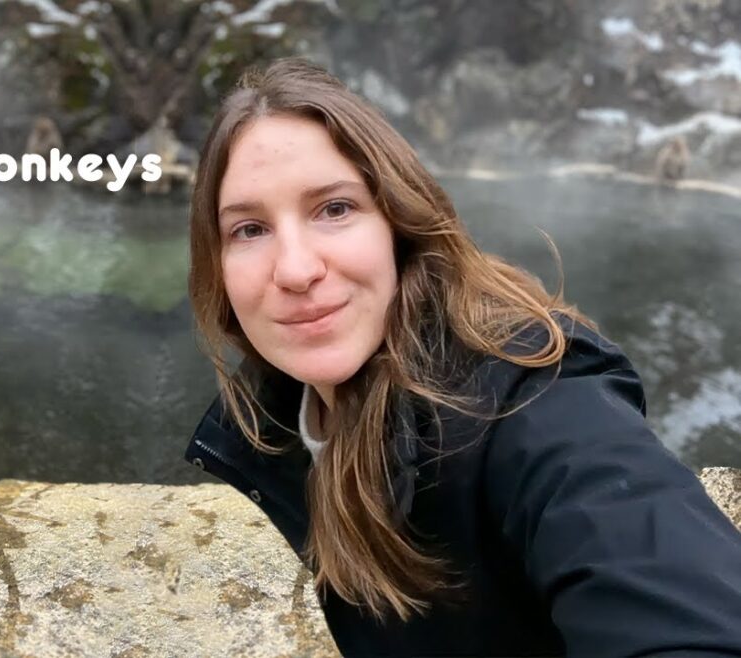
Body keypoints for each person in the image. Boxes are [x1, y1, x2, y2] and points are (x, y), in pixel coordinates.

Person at [184, 58, 741, 657]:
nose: (295, 270)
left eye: (335, 209)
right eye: (248, 229)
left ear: (399, 223)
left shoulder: (531, 398)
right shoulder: (282, 415)